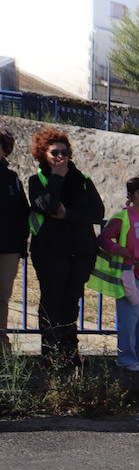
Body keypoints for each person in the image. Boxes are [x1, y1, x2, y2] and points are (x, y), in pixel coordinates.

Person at [27, 128, 104, 367]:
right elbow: (48, 205)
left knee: (71, 301)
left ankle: (69, 352)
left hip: (80, 251)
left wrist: (68, 214)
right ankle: (49, 353)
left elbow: (97, 212)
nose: (61, 156)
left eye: (64, 151)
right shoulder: (37, 181)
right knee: (52, 301)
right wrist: (57, 176)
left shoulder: (82, 180)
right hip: (50, 252)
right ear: (43, 154)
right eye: (55, 152)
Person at [95, 177, 139, 372]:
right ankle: (126, 358)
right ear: (131, 196)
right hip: (128, 275)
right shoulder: (122, 217)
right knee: (129, 317)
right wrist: (119, 250)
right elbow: (104, 238)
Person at [0, 125, 28, 358]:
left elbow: (23, 212)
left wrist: (21, 244)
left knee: (2, 296)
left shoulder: (12, 179)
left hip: (8, 247)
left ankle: (2, 343)